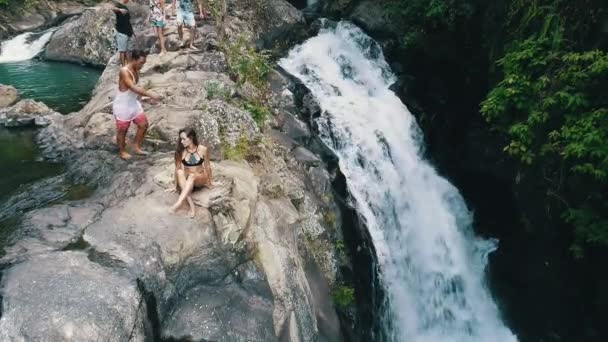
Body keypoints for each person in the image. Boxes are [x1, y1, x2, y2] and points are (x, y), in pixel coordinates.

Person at [112, 50, 160, 160]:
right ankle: (122, 151)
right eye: (141, 62)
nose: (142, 65)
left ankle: (136, 147)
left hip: (133, 103)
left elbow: (134, 91)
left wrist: (144, 99)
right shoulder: (124, 71)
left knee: (143, 124)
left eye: (144, 63)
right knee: (123, 130)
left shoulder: (135, 69)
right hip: (122, 106)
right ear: (134, 60)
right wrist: (150, 94)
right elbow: (132, 87)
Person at [170, 128, 212, 217]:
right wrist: (175, 185)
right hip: (187, 180)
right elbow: (177, 169)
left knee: (192, 176)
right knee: (180, 172)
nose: (181, 141)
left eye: (184, 139)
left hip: (200, 177)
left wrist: (210, 182)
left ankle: (178, 203)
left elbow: (207, 166)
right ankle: (192, 207)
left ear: (191, 138)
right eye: (181, 139)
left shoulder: (203, 149)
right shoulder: (179, 152)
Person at [111, 0, 134, 66]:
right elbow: (113, 8)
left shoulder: (126, 6)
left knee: (128, 51)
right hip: (122, 32)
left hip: (128, 32)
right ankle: (124, 67)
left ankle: (129, 66)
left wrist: (132, 31)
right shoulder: (118, 5)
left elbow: (128, 21)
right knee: (122, 51)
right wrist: (120, 10)